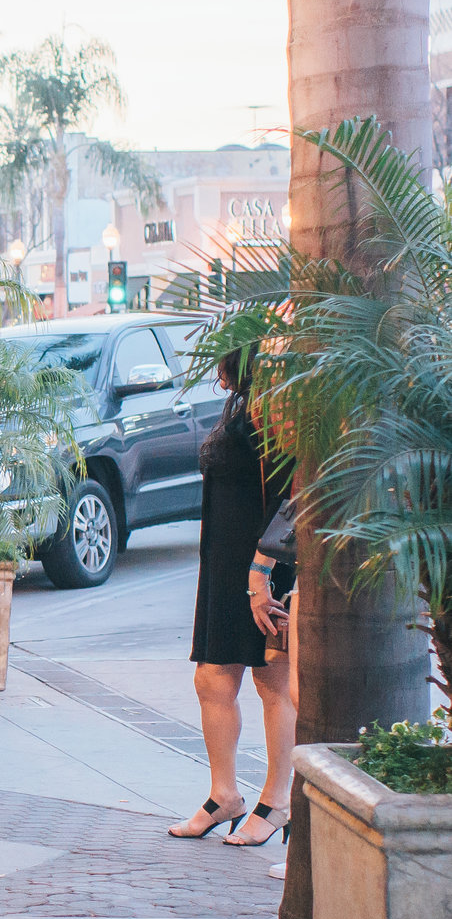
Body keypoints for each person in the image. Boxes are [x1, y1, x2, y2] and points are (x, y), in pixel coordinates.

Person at [170, 348, 296, 846]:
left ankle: (277, 799)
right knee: (212, 679)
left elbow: (291, 495)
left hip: (262, 564)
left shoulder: (275, 404)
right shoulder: (240, 403)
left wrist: (261, 572)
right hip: (224, 567)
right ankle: (225, 794)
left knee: (272, 679)